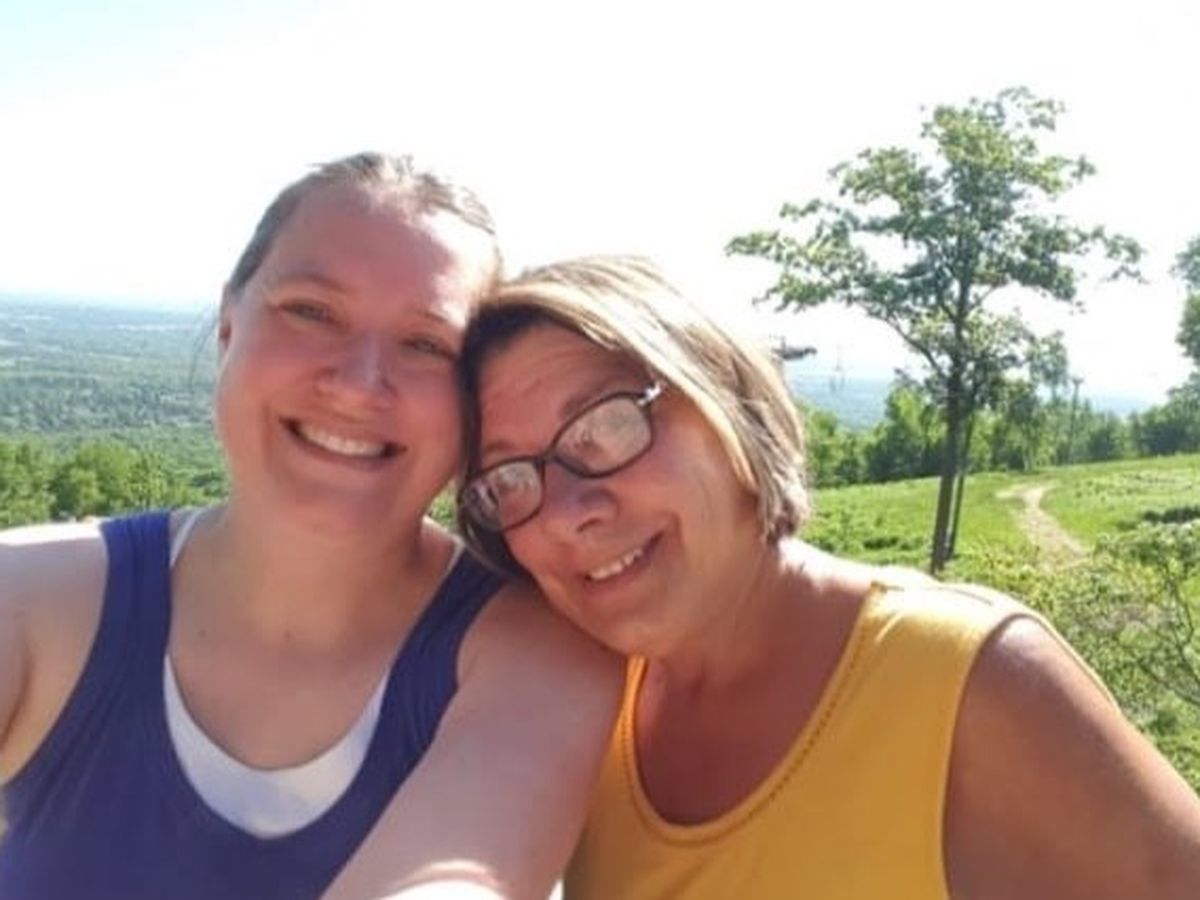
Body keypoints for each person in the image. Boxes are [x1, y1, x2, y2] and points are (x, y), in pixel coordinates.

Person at [449, 255, 1200, 899]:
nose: (568, 513)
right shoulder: (575, 712)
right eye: (509, 479)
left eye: (607, 427)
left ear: (728, 404)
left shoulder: (967, 682)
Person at [0, 154, 619, 900]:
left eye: (427, 344)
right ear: (228, 326)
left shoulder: (533, 659)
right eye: (311, 312)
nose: (357, 385)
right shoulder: (29, 600)